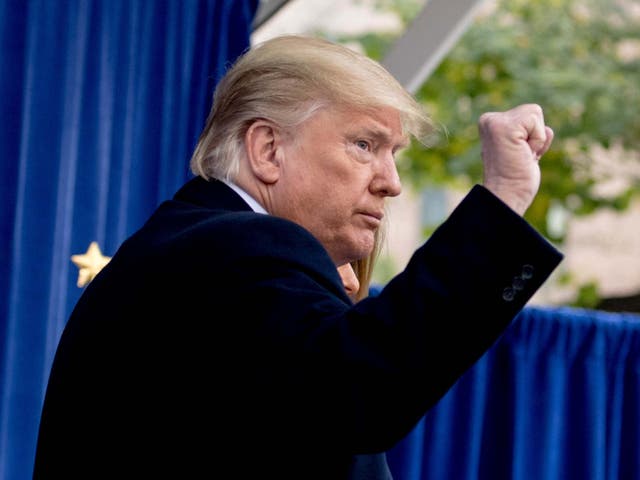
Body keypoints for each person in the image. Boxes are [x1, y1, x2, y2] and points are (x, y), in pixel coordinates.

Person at [33, 34, 563, 479]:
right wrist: (503, 199)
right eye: (363, 145)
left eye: (392, 154)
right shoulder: (239, 246)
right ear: (268, 149)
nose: (393, 183)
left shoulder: (191, 248)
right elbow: (364, 388)